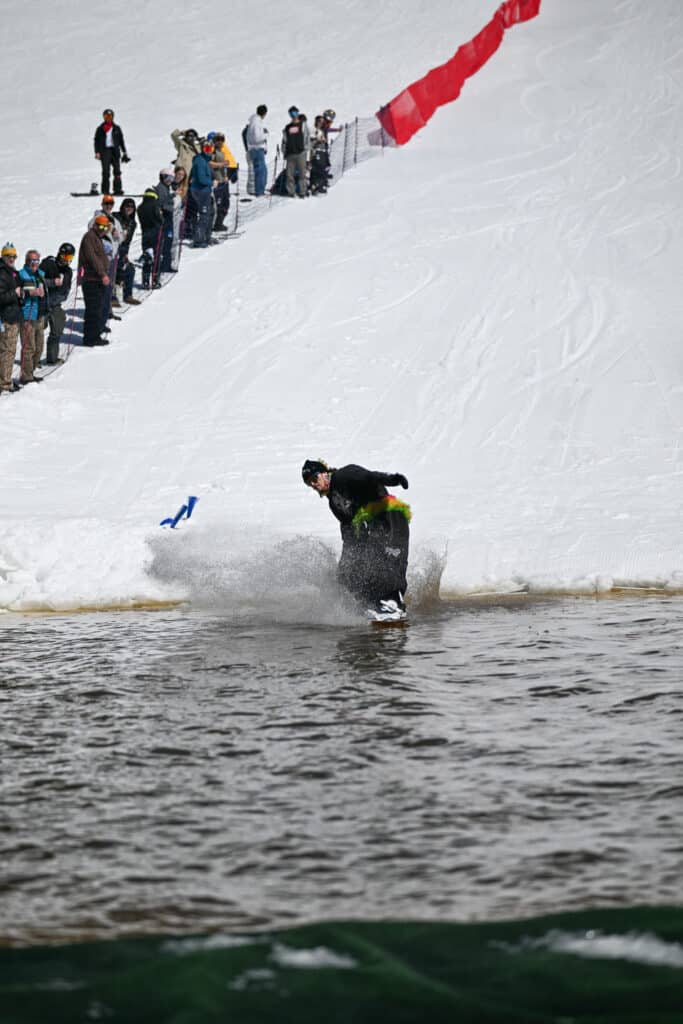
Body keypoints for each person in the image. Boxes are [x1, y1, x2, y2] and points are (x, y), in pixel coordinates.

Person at [301, 459, 411, 621]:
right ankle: (372, 604)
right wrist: (346, 563)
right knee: (351, 572)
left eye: (314, 478)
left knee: (388, 558)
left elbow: (369, 477)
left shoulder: (344, 475)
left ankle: (393, 604)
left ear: (324, 473)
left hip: (391, 518)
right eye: (309, 483)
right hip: (374, 527)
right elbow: (349, 531)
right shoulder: (334, 503)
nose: (313, 484)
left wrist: (392, 479)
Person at [39, 242, 75, 365]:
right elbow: (37, 280)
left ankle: (52, 358)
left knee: (58, 328)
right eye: (65, 256)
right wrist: (52, 282)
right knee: (38, 331)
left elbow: (66, 290)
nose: (67, 260)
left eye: (70, 257)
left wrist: (60, 297)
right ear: (60, 254)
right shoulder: (48, 264)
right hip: (42, 304)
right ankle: (32, 361)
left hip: (55, 304)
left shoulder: (68, 272)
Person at [78, 215, 111, 346]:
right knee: (93, 310)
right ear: (95, 225)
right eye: (101, 226)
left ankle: (94, 335)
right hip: (91, 279)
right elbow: (92, 259)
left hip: (97, 279)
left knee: (97, 309)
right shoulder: (89, 237)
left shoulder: (97, 238)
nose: (103, 229)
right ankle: (90, 338)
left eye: (105, 227)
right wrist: (103, 274)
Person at [18, 250, 46, 383]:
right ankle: (26, 376)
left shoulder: (39, 274)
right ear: (26, 261)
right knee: (29, 347)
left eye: (36, 261)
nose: (34, 263)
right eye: (31, 260)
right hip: (26, 314)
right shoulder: (23, 274)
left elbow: (43, 288)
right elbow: (29, 290)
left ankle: (30, 372)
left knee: (38, 347)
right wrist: (35, 291)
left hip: (38, 314)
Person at [0, 243, 23, 393]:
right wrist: (14, 293)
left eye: (14, 256)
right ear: (3, 256)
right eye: (9, 256)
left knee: (6, 350)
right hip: (7, 318)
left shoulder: (11, 272)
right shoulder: (3, 273)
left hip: (12, 315)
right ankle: (5, 383)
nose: (12, 259)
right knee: (8, 351)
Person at [94, 108, 130, 196]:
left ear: (113, 117)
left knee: (117, 171)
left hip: (115, 151)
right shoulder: (100, 129)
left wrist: (124, 152)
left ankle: (117, 189)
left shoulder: (117, 128)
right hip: (105, 151)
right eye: (106, 116)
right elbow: (96, 141)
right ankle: (105, 190)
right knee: (106, 171)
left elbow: (121, 141)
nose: (108, 118)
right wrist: (97, 152)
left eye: (110, 116)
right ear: (103, 117)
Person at [112, 198, 140, 305]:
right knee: (113, 270)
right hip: (111, 250)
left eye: (132, 207)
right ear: (123, 207)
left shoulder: (133, 223)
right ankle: (112, 297)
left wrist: (125, 254)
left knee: (130, 269)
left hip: (122, 251)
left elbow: (127, 242)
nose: (129, 208)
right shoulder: (115, 217)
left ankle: (128, 296)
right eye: (127, 206)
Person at [189, 140, 216, 248]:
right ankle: (198, 240)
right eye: (206, 149)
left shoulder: (204, 160)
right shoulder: (200, 161)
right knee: (204, 214)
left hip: (204, 190)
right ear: (202, 149)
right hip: (201, 190)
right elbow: (201, 179)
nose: (208, 151)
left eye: (210, 149)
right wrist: (212, 182)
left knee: (210, 212)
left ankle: (206, 236)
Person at [137, 187, 163, 288]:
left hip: (145, 233)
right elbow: (160, 219)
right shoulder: (155, 205)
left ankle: (145, 280)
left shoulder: (140, 207)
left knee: (147, 256)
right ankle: (155, 280)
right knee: (156, 256)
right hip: (156, 234)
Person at [282, 107, 309, 198]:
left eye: (295, 113)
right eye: (291, 114)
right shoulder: (287, 127)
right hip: (290, 154)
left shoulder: (303, 125)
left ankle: (302, 191)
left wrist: (306, 149)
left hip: (301, 153)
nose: (293, 115)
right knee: (289, 175)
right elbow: (284, 140)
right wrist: (284, 151)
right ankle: (291, 192)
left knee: (302, 174)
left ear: (297, 113)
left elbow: (307, 137)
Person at [155, 168, 176, 272]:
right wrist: (172, 201)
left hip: (167, 217)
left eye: (172, 178)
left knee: (169, 240)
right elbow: (162, 203)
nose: (170, 181)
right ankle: (163, 265)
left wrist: (172, 195)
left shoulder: (165, 187)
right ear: (162, 177)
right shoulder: (161, 188)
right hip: (165, 218)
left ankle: (166, 264)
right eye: (168, 178)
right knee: (166, 241)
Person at [246, 104, 268, 196]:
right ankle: (259, 192)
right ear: (264, 113)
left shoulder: (253, 122)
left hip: (253, 148)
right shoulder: (257, 122)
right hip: (257, 149)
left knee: (261, 170)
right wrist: (265, 135)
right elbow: (257, 137)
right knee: (260, 171)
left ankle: (259, 190)